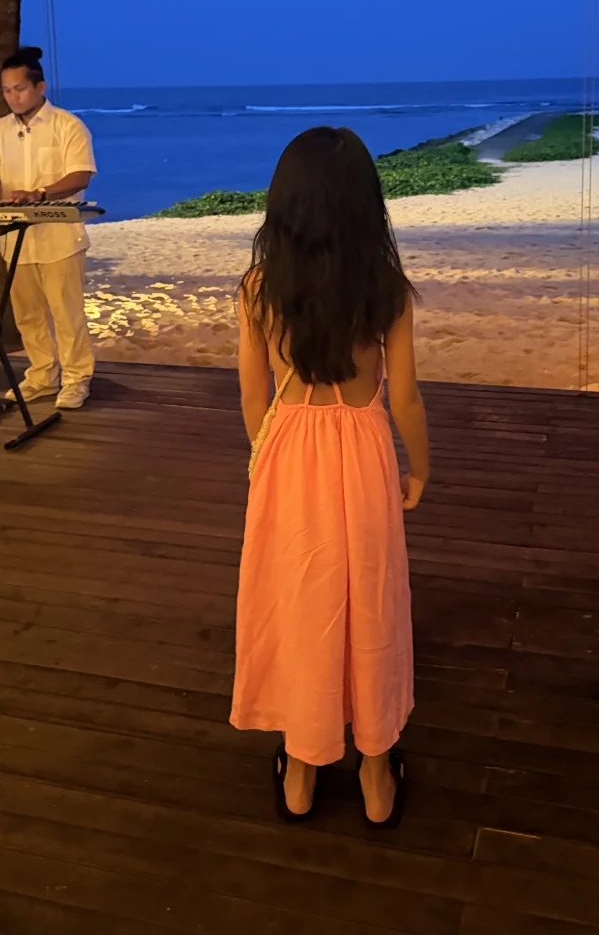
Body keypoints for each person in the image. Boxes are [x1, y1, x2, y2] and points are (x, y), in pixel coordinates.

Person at [230, 126, 430, 829]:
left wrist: (267, 458)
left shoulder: (259, 288)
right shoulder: (385, 289)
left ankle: (302, 768)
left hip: (288, 449)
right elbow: (405, 398)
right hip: (363, 450)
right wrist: (420, 467)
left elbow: (253, 396)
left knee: (300, 602)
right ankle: (376, 771)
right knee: (371, 601)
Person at [0, 46, 97, 410]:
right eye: (7, 90)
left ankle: (76, 378)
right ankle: (42, 375)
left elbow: (81, 175)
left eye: (20, 89)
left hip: (60, 238)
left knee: (66, 313)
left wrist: (40, 193)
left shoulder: (68, 125)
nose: (13, 97)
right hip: (15, 238)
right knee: (27, 315)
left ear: (40, 87)